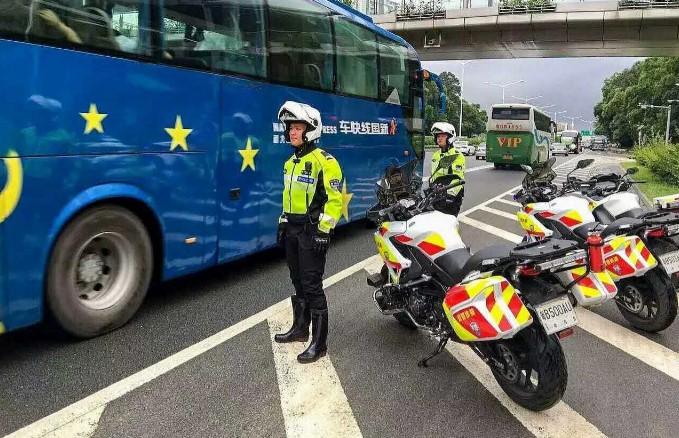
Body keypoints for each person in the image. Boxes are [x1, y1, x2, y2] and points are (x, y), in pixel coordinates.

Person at [274, 101, 343, 364]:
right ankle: (300, 329)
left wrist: (324, 231)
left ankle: (319, 344)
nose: (292, 132)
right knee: (297, 281)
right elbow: (287, 198)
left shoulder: (325, 161)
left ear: (311, 130)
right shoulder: (290, 163)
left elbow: (334, 200)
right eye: (290, 127)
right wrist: (283, 222)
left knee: (312, 286)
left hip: (311, 231)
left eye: (298, 127)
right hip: (292, 230)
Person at [430, 122, 465, 216]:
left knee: (448, 222)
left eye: (442, 136)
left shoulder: (457, 155)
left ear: (450, 137)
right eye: (438, 136)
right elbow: (433, 175)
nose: (439, 138)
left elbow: (457, 178)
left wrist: (450, 195)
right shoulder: (435, 155)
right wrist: (431, 189)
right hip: (436, 194)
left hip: (450, 196)